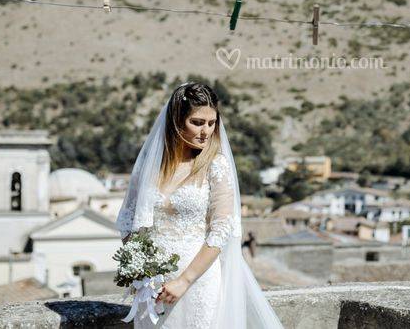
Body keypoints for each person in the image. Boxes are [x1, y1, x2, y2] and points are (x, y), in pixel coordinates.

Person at [116, 82, 284, 328]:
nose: (206, 131)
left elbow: (221, 231)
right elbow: (128, 222)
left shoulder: (216, 166)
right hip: (152, 287)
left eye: (211, 123)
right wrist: (140, 271)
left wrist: (184, 280)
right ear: (176, 120)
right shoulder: (149, 167)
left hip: (197, 281)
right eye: (197, 122)